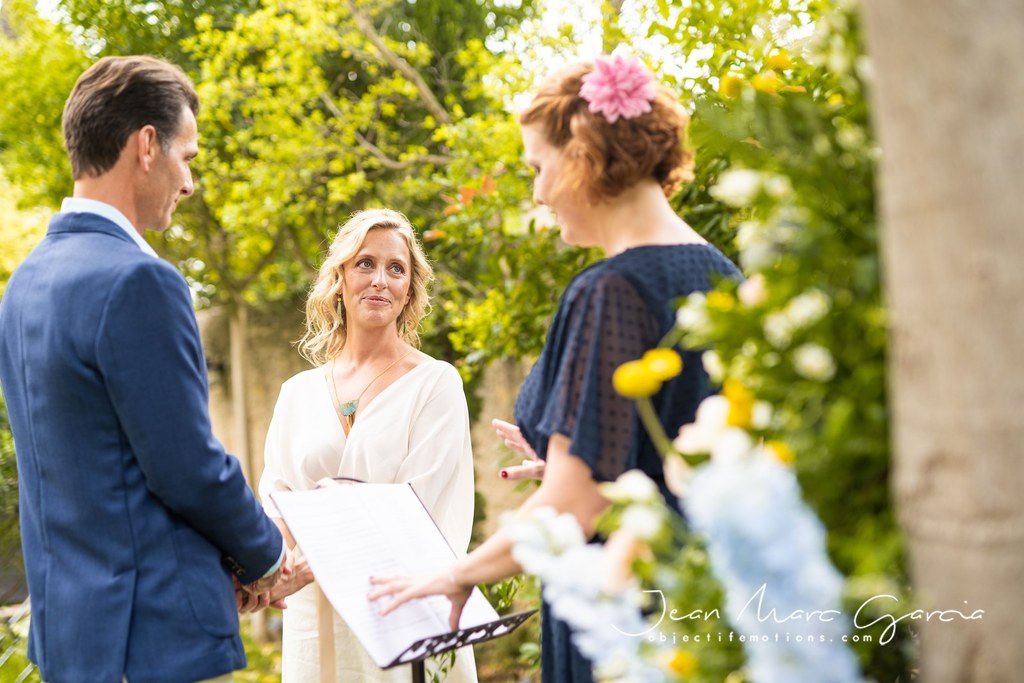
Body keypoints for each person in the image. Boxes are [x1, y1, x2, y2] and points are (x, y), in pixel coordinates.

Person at [368, 54, 742, 682]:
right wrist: (583, 454)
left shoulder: (610, 290)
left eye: (538, 168)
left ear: (583, 153)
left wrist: (458, 573)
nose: (538, 192)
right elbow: (672, 448)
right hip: (704, 607)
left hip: (616, 610)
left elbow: (577, 503)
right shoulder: (721, 274)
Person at [0, 56, 291, 683]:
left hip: (73, 641)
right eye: (188, 158)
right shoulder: (140, 281)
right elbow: (188, 468)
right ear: (147, 146)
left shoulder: (24, 285)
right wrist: (266, 555)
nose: (189, 183)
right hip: (149, 639)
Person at [257, 208, 478, 682]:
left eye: (395, 269)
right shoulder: (296, 393)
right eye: (365, 264)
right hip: (315, 617)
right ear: (339, 279)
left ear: (409, 290)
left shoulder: (436, 383)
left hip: (403, 606)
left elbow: (414, 507)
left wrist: (307, 563)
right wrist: (260, 570)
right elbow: (278, 503)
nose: (380, 280)